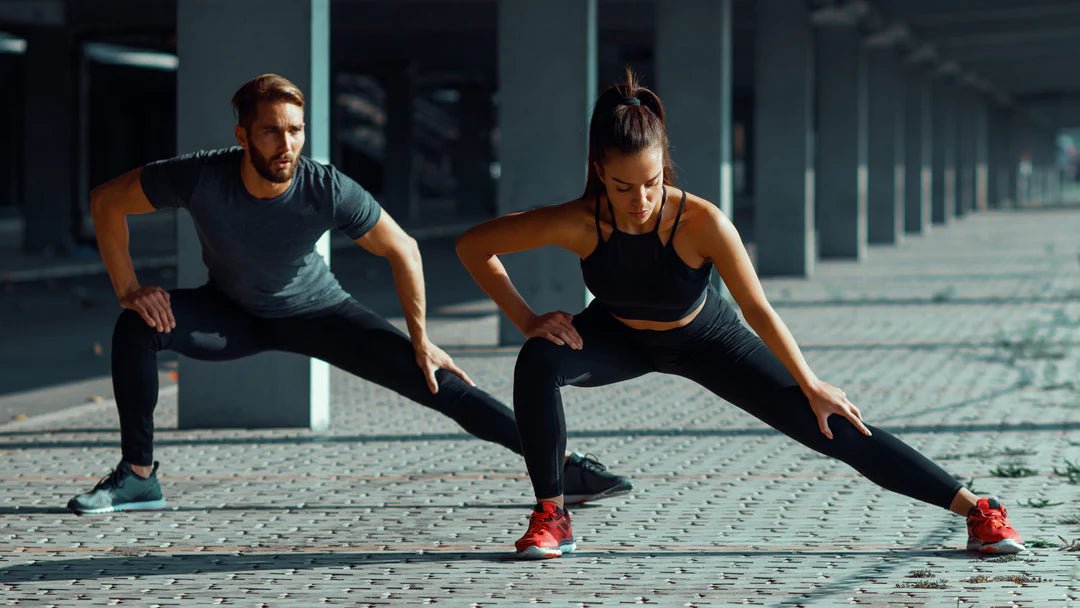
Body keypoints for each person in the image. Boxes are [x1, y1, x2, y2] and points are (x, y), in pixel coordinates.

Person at [455, 71, 1024, 559]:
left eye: (652, 183)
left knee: (830, 424)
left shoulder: (700, 222)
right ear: (599, 170)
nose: (640, 201)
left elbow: (757, 307)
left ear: (664, 168)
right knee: (537, 361)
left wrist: (812, 382)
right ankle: (552, 515)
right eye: (624, 186)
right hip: (620, 335)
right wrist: (528, 318)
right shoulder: (578, 221)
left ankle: (978, 509)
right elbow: (473, 246)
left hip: (709, 339)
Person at [67, 73, 631, 515]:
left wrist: (422, 339)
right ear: (242, 134)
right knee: (136, 327)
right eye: (270, 130)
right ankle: (139, 479)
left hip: (321, 312)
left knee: (439, 382)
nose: (285, 143)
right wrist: (129, 288)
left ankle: (563, 467)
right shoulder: (200, 177)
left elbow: (403, 248)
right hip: (231, 312)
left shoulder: (324, 186)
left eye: (295, 129)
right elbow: (106, 201)